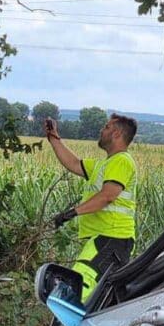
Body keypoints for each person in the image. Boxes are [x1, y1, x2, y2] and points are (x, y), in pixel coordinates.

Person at [44, 113, 139, 302]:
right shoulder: (104, 164)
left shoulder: (122, 161)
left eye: (106, 127)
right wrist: (53, 138)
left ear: (117, 133)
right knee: (103, 296)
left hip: (112, 237)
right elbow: (73, 163)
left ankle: (67, 322)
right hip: (106, 238)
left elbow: (108, 195)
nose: (101, 130)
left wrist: (71, 213)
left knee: (80, 284)